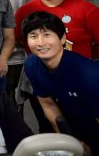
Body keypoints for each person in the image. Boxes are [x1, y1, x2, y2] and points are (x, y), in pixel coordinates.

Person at [22, 11, 99, 154]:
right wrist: (69, 142)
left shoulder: (90, 74)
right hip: (74, 129)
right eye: (33, 36)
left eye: (47, 35)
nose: (40, 43)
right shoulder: (31, 65)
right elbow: (48, 104)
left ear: (63, 38)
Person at [15, 0, 99, 59]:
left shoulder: (87, 9)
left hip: (78, 70)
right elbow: (19, 40)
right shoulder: (24, 11)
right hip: (39, 70)